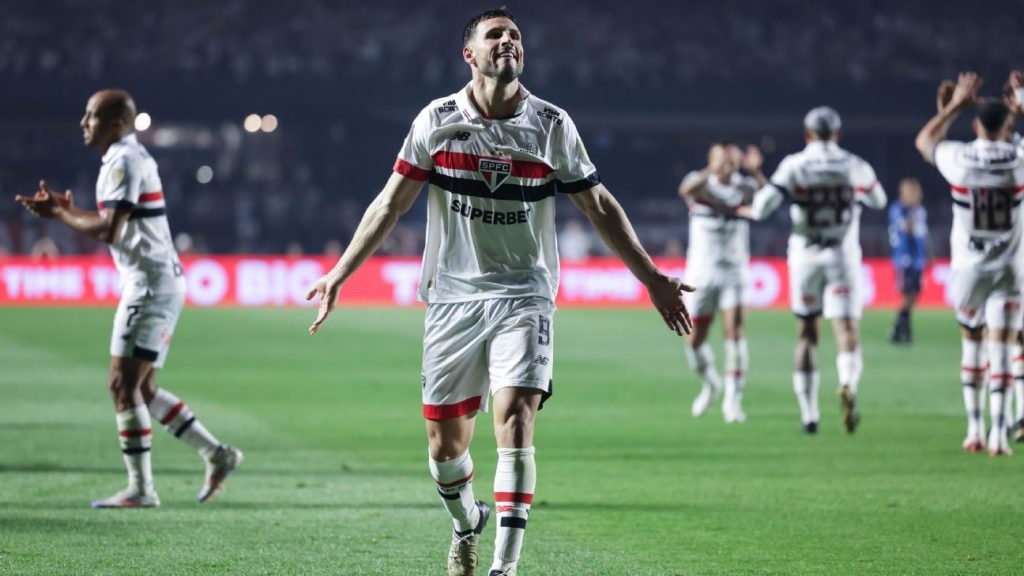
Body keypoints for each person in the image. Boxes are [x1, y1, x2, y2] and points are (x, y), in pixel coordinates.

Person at [305, 9, 693, 576]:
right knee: (444, 447)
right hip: (454, 298)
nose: (508, 41)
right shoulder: (436, 120)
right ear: (470, 55)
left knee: (515, 418)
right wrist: (340, 272)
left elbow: (599, 205)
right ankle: (468, 524)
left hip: (525, 293)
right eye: (495, 35)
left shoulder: (552, 124)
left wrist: (653, 278)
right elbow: (391, 203)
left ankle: (504, 569)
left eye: (515, 36)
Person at [14, 89, 243, 507]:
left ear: (116, 124)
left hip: (150, 285)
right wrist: (69, 210)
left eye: (92, 116)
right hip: (155, 281)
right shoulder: (125, 158)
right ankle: (217, 453)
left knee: (122, 385)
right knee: (144, 388)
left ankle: (141, 489)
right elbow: (112, 222)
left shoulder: (123, 160)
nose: (83, 122)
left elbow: (109, 230)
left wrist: (61, 214)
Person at [738, 106, 886, 435]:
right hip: (842, 255)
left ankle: (809, 415)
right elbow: (879, 200)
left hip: (806, 257)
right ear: (838, 134)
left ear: (807, 134)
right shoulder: (853, 164)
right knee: (846, 329)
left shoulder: (795, 165)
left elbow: (763, 208)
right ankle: (847, 382)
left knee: (807, 334)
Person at [915, 72, 1024, 456]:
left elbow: (926, 142)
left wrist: (952, 108)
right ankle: (999, 436)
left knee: (972, 345)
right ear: (1009, 126)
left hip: (968, 270)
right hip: (1011, 270)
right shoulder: (1019, 160)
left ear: (976, 124)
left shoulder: (959, 159)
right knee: (1004, 347)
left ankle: (974, 430)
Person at [677, 142, 765, 422]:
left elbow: (769, 198)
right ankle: (711, 384)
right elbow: (685, 191)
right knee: (694, 341)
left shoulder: (745, 187)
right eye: (721, 159)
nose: (728, 164)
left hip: (734, 271)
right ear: (711, 159)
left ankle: (733, 401)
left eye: (732, 160)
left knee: (735, 333)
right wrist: (711, 169)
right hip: (701, 273)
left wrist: (758, 172)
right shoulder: (699, 183)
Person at [887, 178, 928, 345]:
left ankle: (898, 328)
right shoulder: (898, 209)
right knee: (906, 294)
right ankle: (903, 330)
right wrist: (911, 218)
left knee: (914, 295)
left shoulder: (919, 210)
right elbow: (906, 229)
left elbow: (922, 235)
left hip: (918, 259)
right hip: (904, 258)